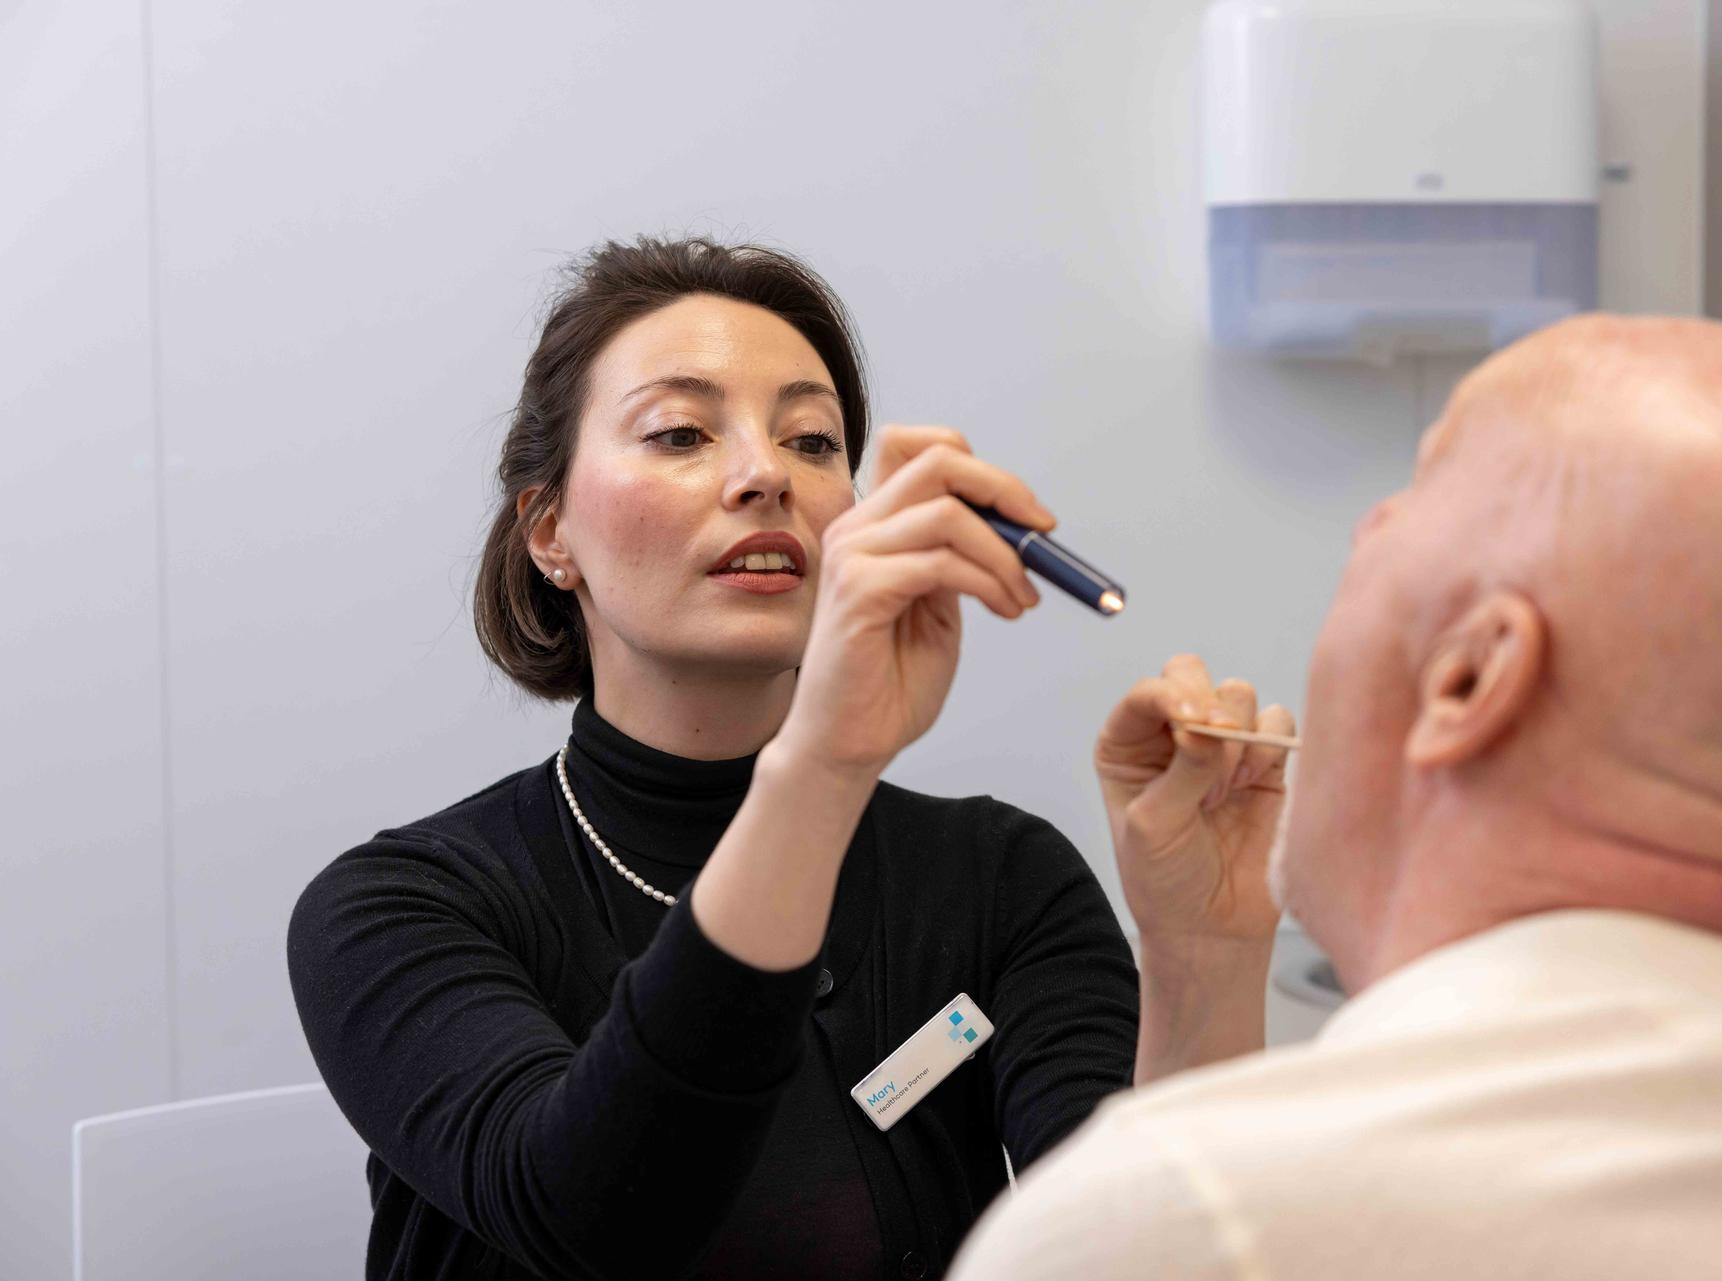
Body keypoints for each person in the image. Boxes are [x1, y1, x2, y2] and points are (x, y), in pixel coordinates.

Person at [951, 315, 1722, 1280]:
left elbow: (1222, 1217)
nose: (1368, 525)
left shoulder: (1166, 1228)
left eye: (1413, 495)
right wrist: (1203, 959)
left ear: (1469, 680)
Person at [288, 237, 1157, 1281]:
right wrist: (826, 764)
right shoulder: (397, 906)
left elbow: (1139, 1250)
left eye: (813, 441)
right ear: (550, 533)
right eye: (682, 431)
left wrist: (1207, 944)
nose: (764, 476)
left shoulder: (1000, 879)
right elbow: (593, 1217)